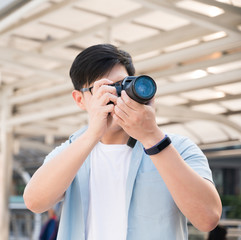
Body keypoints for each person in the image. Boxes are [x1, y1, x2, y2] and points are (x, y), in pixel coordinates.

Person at [23, 44, 222, 239]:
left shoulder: (177, 148)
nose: (115, 95)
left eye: (120, 85)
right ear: (79, 100)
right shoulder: (70, 152)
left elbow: (208, 219)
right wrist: (93, 134)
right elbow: (35, 202)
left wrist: (152, 137)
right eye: (103, 88)